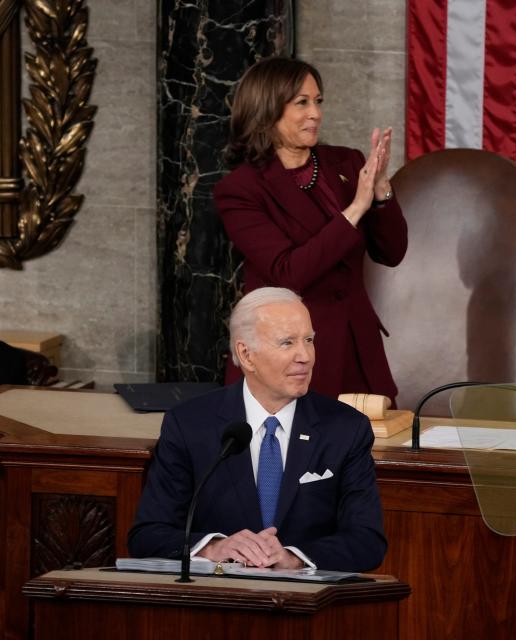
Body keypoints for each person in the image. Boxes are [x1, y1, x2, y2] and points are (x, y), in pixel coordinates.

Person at [128, 287, 386, 572]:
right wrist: (214, 548)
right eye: (287, 343)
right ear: (246, 355)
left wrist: (295, 558)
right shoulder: (190, 424)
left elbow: (367, 541)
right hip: (219, 603)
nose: (305, 356)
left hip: (308, 606)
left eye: (309, 340)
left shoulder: (345, 429)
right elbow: (147, 535)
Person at [214, 57, 407, 402]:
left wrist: (380, 193)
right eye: (301, 102)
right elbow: (288, 272)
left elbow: (392, 252)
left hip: (357, 353)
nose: (315, 113)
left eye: (318, 101)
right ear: (268, 109)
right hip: (289, 359)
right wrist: (355, 209)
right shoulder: (241, 189)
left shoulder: (346, 163)